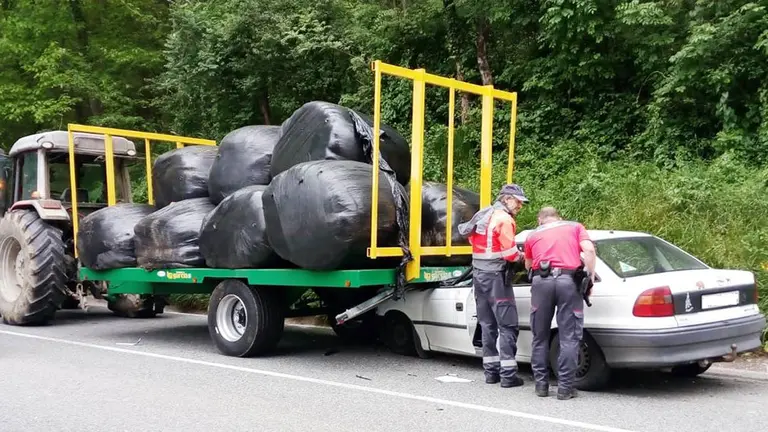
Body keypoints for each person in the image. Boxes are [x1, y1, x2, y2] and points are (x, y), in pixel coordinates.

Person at [458, 183, 529, 388]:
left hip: (479, 276)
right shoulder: (504, 219)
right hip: (497, 277)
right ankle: (508, 376)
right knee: (507, 325)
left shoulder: (484, 214)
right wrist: (524, 257)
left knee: (487, 325)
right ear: (507, 199)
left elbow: (473, 241)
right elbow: (510, 254)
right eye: (518, 202)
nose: (520, 206)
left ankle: (491, 372)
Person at [523, 207, 596, 400]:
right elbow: (589, 250)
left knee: (539, 337)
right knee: (569, 338)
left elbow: (528, 265)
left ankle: (541, 386)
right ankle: (565, 388)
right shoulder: (575, 227)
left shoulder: (532, 235)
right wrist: (589, 278)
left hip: (541, 283)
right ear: (559, 218)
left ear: (539, 220)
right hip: (568, 282)